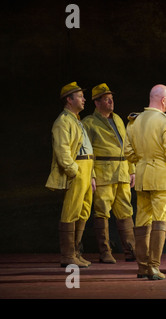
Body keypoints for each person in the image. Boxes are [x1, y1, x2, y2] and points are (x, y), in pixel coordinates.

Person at [124, 84, 166, 280]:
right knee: (160, 221)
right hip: (163, 177)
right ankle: (154, 267)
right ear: (163, 101)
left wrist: (141, 162)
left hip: (142, 176)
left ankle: (142, 267)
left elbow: (127, 152)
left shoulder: (134, 121)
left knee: (142, 221)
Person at [82, 83, 136, 263]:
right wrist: (90, 175)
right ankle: (105, 251)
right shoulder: (88, 123)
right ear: (96, 103)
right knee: (102, 212)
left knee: (126, 211)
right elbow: (86, 152)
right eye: (106, 99)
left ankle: (131, 250)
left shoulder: (119, 119)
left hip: (122, 172)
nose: (111, 101)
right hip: (103, 173)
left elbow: (126, 145)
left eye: (111, 98)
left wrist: (132, 169)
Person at [46, 82, 95, 268]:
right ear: (69, 99)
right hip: (77, 168)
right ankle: (67, 255)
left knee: (84, 210)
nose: (84, 99)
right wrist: (74, 171)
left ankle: (75, 252)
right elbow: (62, 150)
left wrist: (91, 175)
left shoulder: (76, 120)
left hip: (86, 167)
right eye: (80, 96)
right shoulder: (63, 121)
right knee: (71, 211)